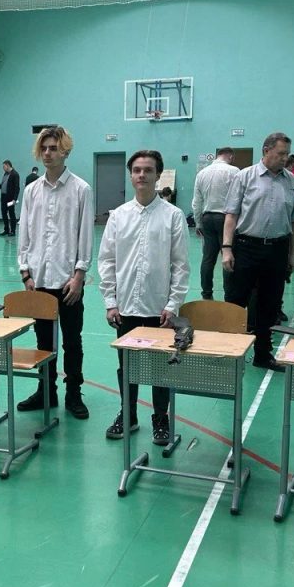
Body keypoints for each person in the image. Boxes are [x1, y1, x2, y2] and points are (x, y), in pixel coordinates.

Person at [99, 150, 189, 444]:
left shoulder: (173, 216)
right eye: (136, 170)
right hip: (125, 307)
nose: (141, 175)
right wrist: (110, 301)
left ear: (157, 175)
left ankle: (160, 417)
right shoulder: (118, 216)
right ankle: (129, 414)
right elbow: (107, 260)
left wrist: (172, 305)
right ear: (131, 175)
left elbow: (180, 265)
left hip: (159, 308)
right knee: (127, 365)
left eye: (148, 170)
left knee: (160, 367)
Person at [16, 125, 93, 419]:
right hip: (39, 281)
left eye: (54, 148)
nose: (48, 153)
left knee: (72, 342)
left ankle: (73, 393)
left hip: (68, 282)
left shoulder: (81, 190)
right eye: (44, 148)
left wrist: (79, 275)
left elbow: (85, 236)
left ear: (65, 152)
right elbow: (24, 233)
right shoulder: (31, 191)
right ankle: (45, 391)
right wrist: (25, 273)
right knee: (43, 342)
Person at [221, 132, 294, 372]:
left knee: (269, 305)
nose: (285, 159)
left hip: (277, 249)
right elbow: (231, 215)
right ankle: (229, 354)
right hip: (245, 247)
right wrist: (227, 249)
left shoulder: (291, 182)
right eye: (281, 154)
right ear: (266, 151)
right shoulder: (244, 177)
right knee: (236, 303)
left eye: (287, 154)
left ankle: (263, 355)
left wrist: (291, 256)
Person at [191, 147, 238, 300]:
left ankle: (206, 294)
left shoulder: (202, 173)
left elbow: (197, 202)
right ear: (230, 157)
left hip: (207, 218)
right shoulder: (234, 171)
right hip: (226, 219)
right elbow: (239, 199)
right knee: (228, 256)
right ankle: (229, 295)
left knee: (208, 258)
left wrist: (198, 223)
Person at [0, 159, 20, 235]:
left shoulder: (15, 174)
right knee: (4, 213)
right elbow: (3, 184)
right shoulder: (5, 174)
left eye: (4, 166)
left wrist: (15, 199)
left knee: (11, 214)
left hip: (10, 198)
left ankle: (13, 231)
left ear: (7, 165)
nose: (3, 168)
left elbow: (17, 188)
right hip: (3, 197)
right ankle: (6, 229)